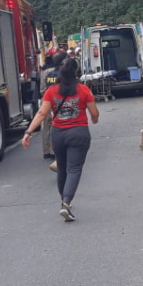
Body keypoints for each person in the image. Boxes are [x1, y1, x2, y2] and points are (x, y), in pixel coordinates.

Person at [23, 58, 100, 221]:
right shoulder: (84, 90)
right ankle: (65, 202)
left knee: (62, 167)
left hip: (58, 134)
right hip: (79, 133)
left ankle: (63, 200)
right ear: (76, 73)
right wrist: (94, 119)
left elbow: (42, 114)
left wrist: (28, 132)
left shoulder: (51, 91)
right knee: (75, 168)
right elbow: (94, 113)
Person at [40, 50, 66, 168]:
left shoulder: (45, 71)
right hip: (59, 102)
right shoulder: (62, 71)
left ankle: (46, 151)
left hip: (47, 101)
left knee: (46, 126)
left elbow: (42, 89)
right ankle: (58, 152)